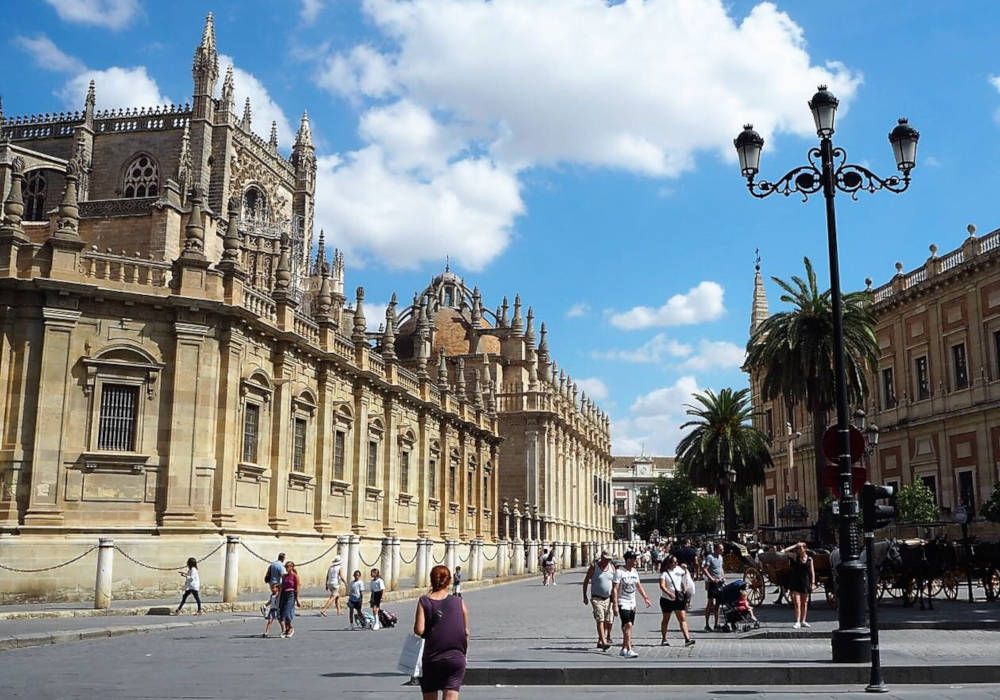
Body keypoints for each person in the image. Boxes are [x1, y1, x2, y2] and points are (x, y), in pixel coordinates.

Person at [414, 564, 469, 699]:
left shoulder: (424, 601)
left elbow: (419, 630)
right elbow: (466, 632)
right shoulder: (458, 601)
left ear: (431, 580)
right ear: (449, 581)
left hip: (432, 658)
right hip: (456, 658)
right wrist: (464, 655)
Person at [612, 550, 651, 658]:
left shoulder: (634, 571)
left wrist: (645, 598)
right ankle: (629, 649)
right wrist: (615, 604)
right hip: (622, 602)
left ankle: (623, 648)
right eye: (634, 559)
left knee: (628, 626)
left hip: (632, 603)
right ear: (628, 560)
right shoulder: (619, 572)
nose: (636, 561)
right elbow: (615, 589)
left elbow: (638, 586)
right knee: (628, 624)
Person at [581, 549, 617, 650]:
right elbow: (586, 581)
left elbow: (615, 584)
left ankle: (601, 639)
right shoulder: (594, 567)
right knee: (600, 618)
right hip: (596, 598)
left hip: (609, 599)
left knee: (608, 620)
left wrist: (615, 599)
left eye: (609, 559)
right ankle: (604, 642)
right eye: (606, 559)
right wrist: (585, 596)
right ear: (601, 557)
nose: (607, 561)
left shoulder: (612, 567)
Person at [658, 555, 695, 647]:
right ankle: (664, 639)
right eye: (674, 562)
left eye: (676, 562)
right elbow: (662, 586)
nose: (676, 563)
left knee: (682, 619)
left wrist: (685, 569)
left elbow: (686, 575)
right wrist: (669, 593)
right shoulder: (664, 573)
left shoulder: (678, 569)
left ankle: (687, 639)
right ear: (669, 563)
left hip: (678, 598)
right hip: (667, 599)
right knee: (666, 619)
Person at [783, 542, 815, 629]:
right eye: (798, 548)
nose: (799, 549)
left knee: (804, 603)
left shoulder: (809, 559)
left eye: (801, 547)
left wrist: (813, 583)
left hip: (805, 582)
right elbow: (784, 551)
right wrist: (795, 545)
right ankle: (797, 621)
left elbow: (812, 572)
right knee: (797, 603)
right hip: (795, 582)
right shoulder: (794, 557)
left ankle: (803, 621)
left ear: (805, 549)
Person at [701, 542, 725, 632]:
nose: (722, 550)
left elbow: (720, 568)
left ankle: (716, 624)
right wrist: (711, 578)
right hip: (712, 583)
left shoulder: (720, 558)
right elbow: (704, 569)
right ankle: (707, 624)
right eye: (721, 549)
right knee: (710, 603)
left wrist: (723, 576)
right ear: (716, 549)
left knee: (718, 604)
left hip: (720, 582)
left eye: (722, 549)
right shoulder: (710, 557)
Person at [279, 560, 300, 638]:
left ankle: (290, 628)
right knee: (282, 613)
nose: (286, 568)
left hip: (291, 594)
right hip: (284, 594)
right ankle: (287, 629)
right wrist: (279, 597)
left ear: (292, 567)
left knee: (287, 612)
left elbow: (297, 588)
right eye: (285, 567)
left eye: (288, 567)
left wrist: (297, 599)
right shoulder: (284, 576)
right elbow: (282, 587)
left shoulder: (295, 576)